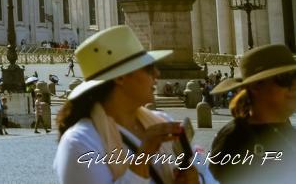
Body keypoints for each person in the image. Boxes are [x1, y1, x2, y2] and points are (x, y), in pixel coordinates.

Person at [53, 25, 201, 183]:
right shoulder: (79, 141)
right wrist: (142, 158)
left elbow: (205, 173)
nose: (157, 73)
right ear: (120, 78)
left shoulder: (161, 119)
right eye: (149, 68)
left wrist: (195, 179)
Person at [208, 43, 296, 183]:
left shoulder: (287, 129)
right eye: (286, 78)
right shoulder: (233, 140)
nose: (295, 85)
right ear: (256, 86)